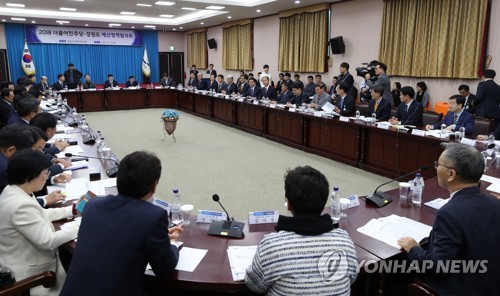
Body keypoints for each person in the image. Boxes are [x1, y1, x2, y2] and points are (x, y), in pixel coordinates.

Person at [61, 151, 182, 296]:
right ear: (154, 185)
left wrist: (160, 238)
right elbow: (164, 269)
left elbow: (120, 234)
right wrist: (172, 244)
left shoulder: (93, 205)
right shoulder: (153, 216)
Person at [398, 143, 500, 295]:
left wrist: (414, 248)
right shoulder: (494, 202)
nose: (436, 168)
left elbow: (439, 267)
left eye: (438, 164)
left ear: (451, 174)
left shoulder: (449, 213)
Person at [245, 166, 358, 295]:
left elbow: (253, 285)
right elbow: (352, 278)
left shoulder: (272, 245)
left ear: (288, 203)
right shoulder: (344, 241)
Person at [0, 149, 79, 296]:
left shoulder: (14, 190)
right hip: (32, 278)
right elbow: (48, 241)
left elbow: (40, 214)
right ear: (31, 176)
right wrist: (81, 224)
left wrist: (71, 211)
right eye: (46, 173)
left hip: (24, 260)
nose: (47, 176)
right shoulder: (20, 205)